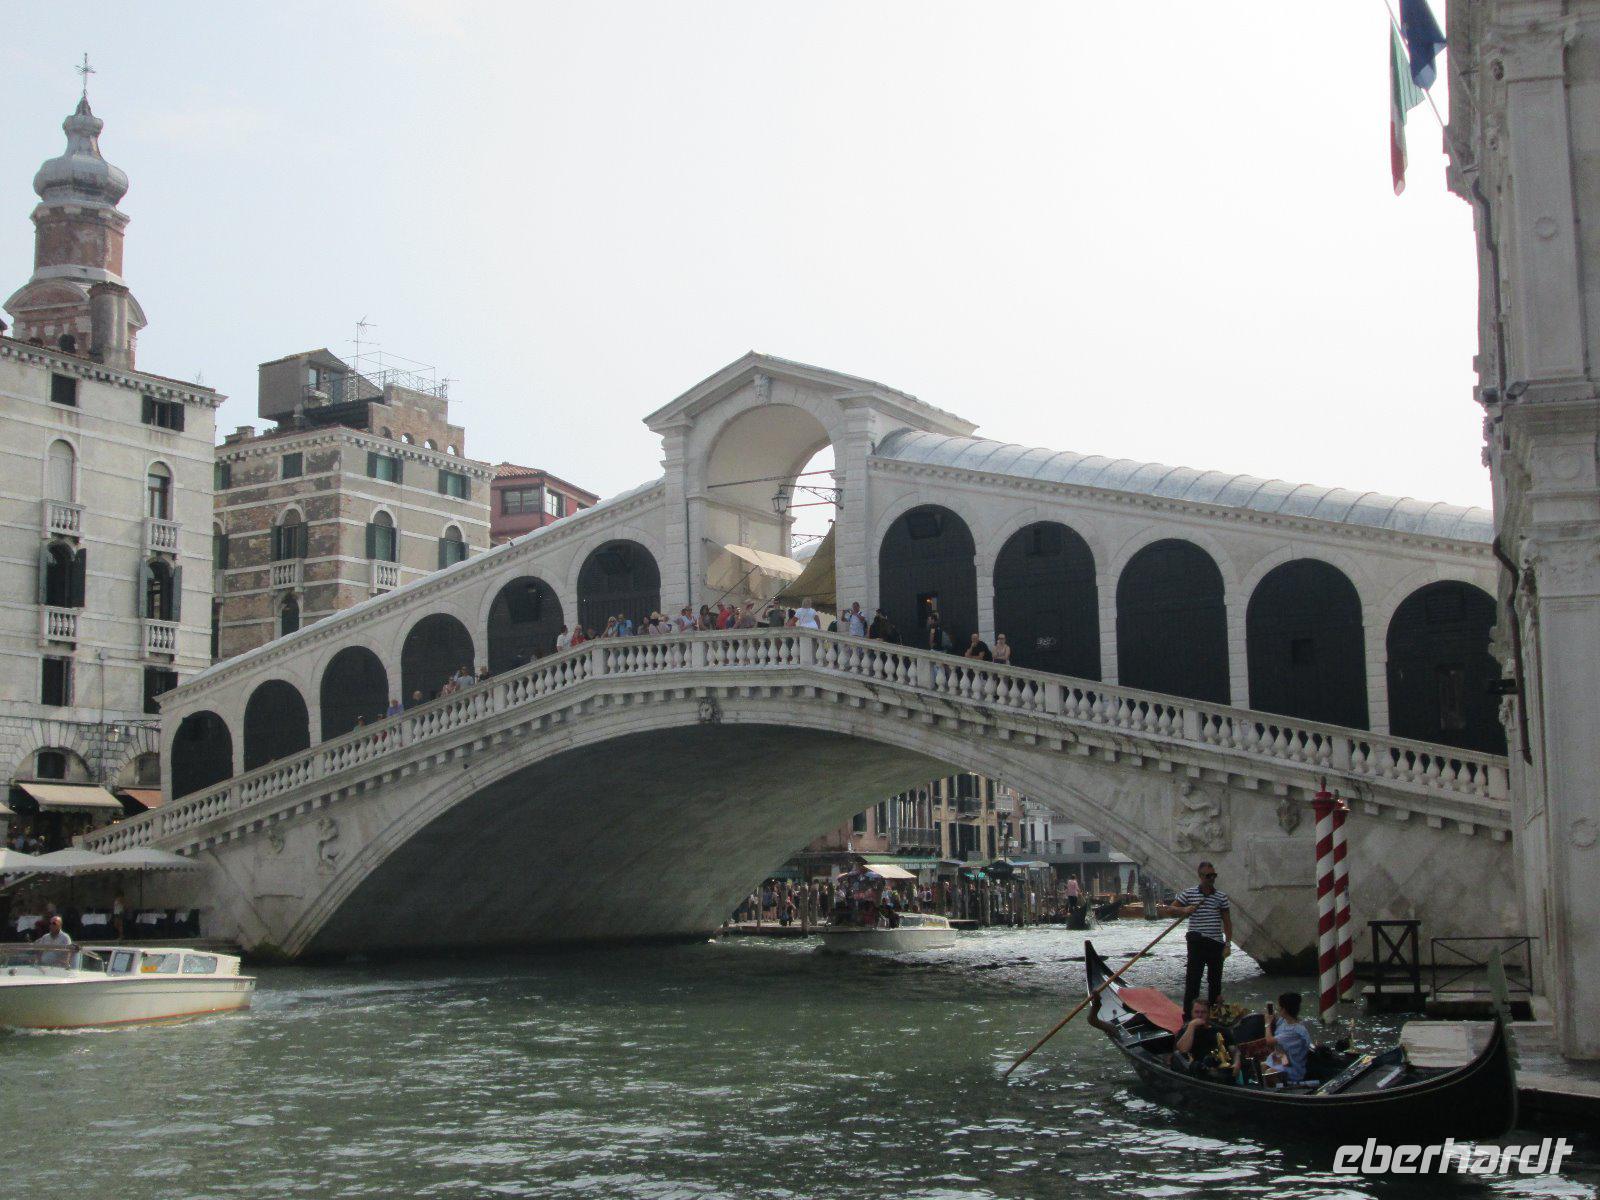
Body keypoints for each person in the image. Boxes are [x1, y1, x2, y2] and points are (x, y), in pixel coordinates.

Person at [1161, 861, 1233, 1019]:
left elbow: (1227, 923)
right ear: (1200, 876)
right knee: (1193, 981)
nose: (1212, 878)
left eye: (1214, 875)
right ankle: (1189, 1017)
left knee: (1215, 982)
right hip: (1197, 942)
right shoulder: (1189, 893)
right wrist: (1184, 909)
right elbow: (1169, 910)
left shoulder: (1221, 897)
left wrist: (1228, 944)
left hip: (1216, 943)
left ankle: (1213, 1017)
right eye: (1208, 876)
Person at [1173, 997, 1235, 1076]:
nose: (1200, 1015)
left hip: (1214, 1066)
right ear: (1192, 1013)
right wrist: (1192, 1026)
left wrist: (1237, 1063)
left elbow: (1234, 1050)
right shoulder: (1186, 1029)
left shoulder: (1219, 1030)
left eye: (1203, 1012)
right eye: (1196, 1012)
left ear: (1209, 1013)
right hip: (1194, 1068)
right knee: (1177, 1056)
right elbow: (1183, 1050)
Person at [1263, 992, 1312, 1084]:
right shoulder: (1283, 1021)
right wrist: (1271, 1018)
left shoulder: (1295, 1031)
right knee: (1261, 1067)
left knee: (1269, 1073)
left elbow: (1269, 1041)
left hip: (1293, 1068)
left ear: (1284, 1009)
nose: (1278, 1008)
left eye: (1280, 1007)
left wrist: (1267, 1023)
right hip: (1280, 1059)